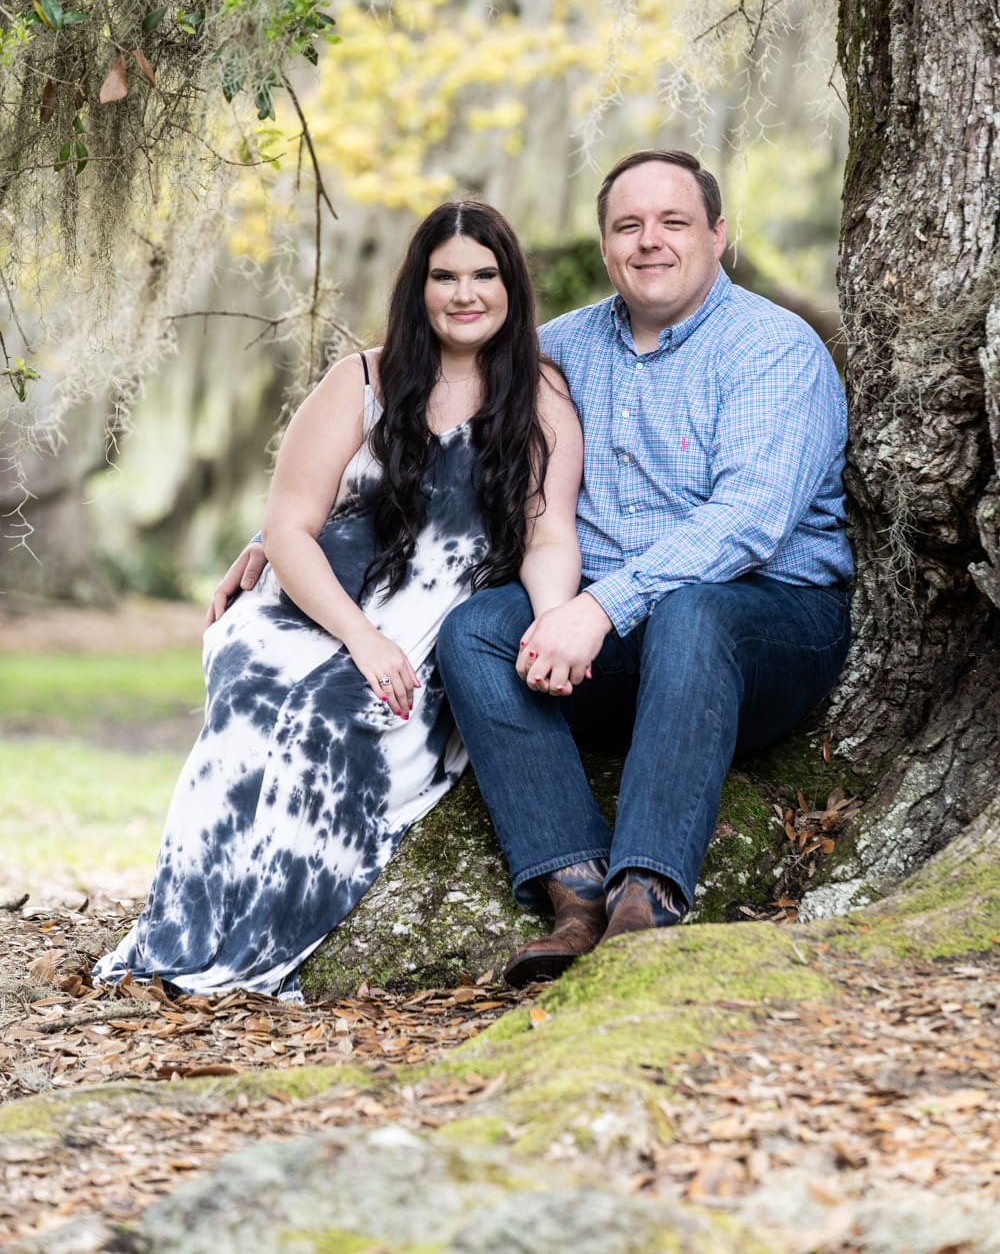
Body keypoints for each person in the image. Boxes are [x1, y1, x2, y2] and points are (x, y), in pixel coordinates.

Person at [93, 201, 583, 1001]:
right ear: (417, 287)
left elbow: (549, 534)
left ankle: (257, 942)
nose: (466, 294)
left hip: (430, 615)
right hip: (317, 603)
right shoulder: (360, 379)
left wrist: (556, 617)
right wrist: (360, 637)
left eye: (484, 275)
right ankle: (184, 929)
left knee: (340, 721)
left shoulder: (542, 397)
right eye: (445, 276)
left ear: (511, 286)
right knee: (256, 700)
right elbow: (287, 528)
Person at [434, 149, 853, 985]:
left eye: (673, 222)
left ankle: (646, 896)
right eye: (628, 225)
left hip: (767, 624)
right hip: (613, 640)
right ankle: (577, 888)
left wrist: (599, 608)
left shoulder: (775, 349)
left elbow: (750, 525)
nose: (649, 242)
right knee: (478, 630)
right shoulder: (559, 349)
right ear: (605, 244)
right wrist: (295, 530)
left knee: (695, 609)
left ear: (718, 235)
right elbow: (427, 420)